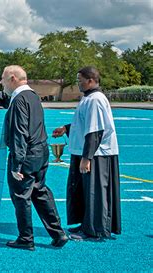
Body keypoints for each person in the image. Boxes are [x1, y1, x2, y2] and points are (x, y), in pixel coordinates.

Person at [0, 65, 68, 251]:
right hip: (40, 152)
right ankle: (58, 233)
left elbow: (20, 133)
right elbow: (6, 100)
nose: (0, 82)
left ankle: (26, 238)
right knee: (39, 191)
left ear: (13, 78)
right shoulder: (31, 96)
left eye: (2, 78)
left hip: (27, 155)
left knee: (21, 196)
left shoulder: (19, 101)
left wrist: (16, 165)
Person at [52, 66, 121, 240]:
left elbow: (95, 131)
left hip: (97, 155)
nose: (78, 84)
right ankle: (86, 224)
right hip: (87, 152)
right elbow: (84, 124)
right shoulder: (88, 98)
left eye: (80, 80)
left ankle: (95, 230)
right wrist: (66, 129)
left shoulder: (95, 99)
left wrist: (86, 157)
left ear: (90, 80)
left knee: (94, 192)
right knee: (85, 191)